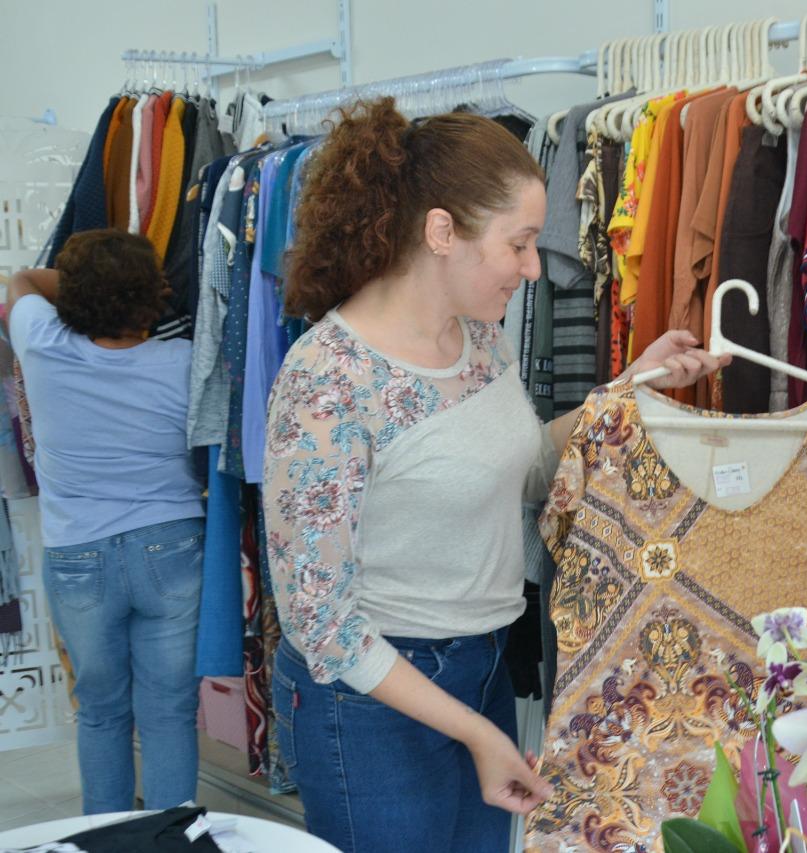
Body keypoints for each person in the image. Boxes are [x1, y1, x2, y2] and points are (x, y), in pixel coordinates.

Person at [262, 98, 726, 852]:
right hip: (371, 703)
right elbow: (323, 623)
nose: (535, 266)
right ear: (442, 231)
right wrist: (477, 731)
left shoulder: (478, 341)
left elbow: (523, 466)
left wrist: (631, 387)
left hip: (478, 669)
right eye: (520, 243)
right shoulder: (329, 380)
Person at [5, 229, 206, 814]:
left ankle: (106, 838)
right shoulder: (185, 361)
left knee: (99, 710)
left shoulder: (41, 341)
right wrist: (125, 288)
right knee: (169, 712)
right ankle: (170, 844)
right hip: (172, 548)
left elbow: (20, 278)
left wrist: (88, 288)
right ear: (155, 295)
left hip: (78, 556)